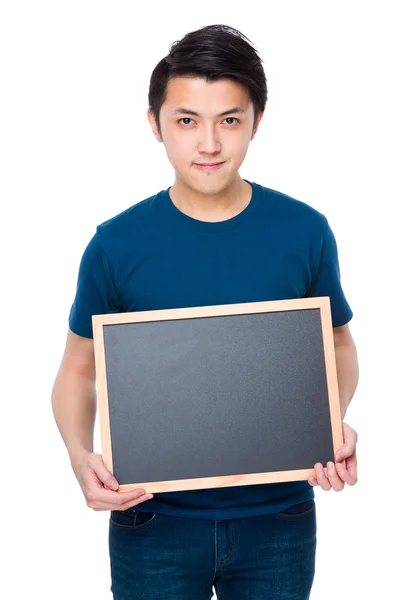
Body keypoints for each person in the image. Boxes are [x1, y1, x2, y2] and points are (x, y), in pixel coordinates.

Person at [52, 23, 359, 600]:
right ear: (156, 124)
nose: (210, 144)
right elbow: (79, 367)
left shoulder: (304, 231)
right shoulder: (116, 244)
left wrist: (328, 422)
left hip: (279, 519)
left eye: (230, 120)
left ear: (256, 122)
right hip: (152, 521)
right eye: (187, 120)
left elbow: (337, 345)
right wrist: (78, 455)